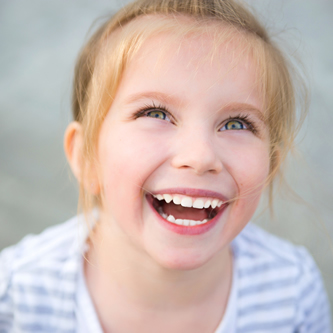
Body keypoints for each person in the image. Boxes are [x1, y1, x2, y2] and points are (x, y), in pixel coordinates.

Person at [0, 0, 331, 332]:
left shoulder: (293, 293)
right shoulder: (16, 297)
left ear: (270, 165)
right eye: (155, 113)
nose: (200, 156)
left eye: (236, 123)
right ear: (87, 157)